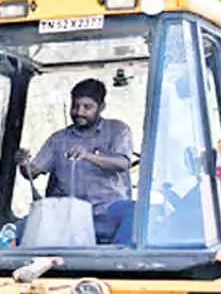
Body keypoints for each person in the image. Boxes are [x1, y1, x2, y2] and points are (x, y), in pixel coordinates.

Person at [19, 78, 137, 244]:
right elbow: (32, 172)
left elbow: (123, 163)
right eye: (75, 106)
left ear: (101, 107)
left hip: (107, 210)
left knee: (138, 212)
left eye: (87, 107)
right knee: (21, 228)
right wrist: (24, 164)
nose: (79, 112)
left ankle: (118, 262)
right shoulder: (58, 139)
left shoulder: (118, 130)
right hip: (67, 214)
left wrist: (89, 156)